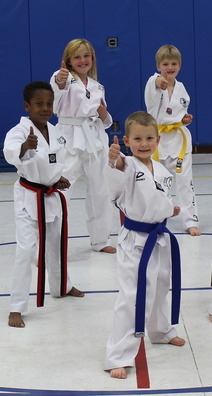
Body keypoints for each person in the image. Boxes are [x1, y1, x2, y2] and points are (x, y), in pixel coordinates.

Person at [104, 111, 185, 379]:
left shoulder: (160, 169)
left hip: (158, 236)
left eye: (149, 138)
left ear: (158, 140)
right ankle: (117, 355)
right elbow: (115, 190)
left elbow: (158, 200)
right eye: (137, 139)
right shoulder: (126, 164)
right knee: (132, 297)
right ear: (127, 141)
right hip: (136, 241)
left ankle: (161, 331)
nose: (144, 143)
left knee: (161, 286)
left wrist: (169, 210)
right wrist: (114, 161)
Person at [3, 81, 84, 328]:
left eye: (49, 103)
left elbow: (54, 159)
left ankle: (62, 286)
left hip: (51, 195)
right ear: (27, 106)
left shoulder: (55, 130)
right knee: (26, 251)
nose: (45, 108)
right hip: (29, 197)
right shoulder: (18, 132)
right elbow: (11, 153)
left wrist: (56, 177)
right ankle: (16, 307)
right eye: (39, 104)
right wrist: (25, 148)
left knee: (56, 245)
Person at [50, 38, 116, 254]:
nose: (82, 60)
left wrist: (104, 114)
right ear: (68, 61)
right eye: (77, 56)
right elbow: (57, 93)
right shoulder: (64, 79)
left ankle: (100, 240)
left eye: (86, 55)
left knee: (101, 191)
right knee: (61, 191)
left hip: (95, 139)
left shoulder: (98, 86)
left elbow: (105, 120)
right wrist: (59, 81)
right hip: (69, 139)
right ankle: (53, 246)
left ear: (92, 59)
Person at [144, 44, 201, 236]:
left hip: (179, 138)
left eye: (174, 63)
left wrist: (184, 119)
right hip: (158, 140)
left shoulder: (182, 88)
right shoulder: (154, 81)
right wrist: (158, 80)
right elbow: (155, 84)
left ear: (180, 66)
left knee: (185, 180)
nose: (170, 67)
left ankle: (191, 220)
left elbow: (179, 113)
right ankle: (158, 218)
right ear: (158, 66)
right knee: (160, 180)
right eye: (165, 64)